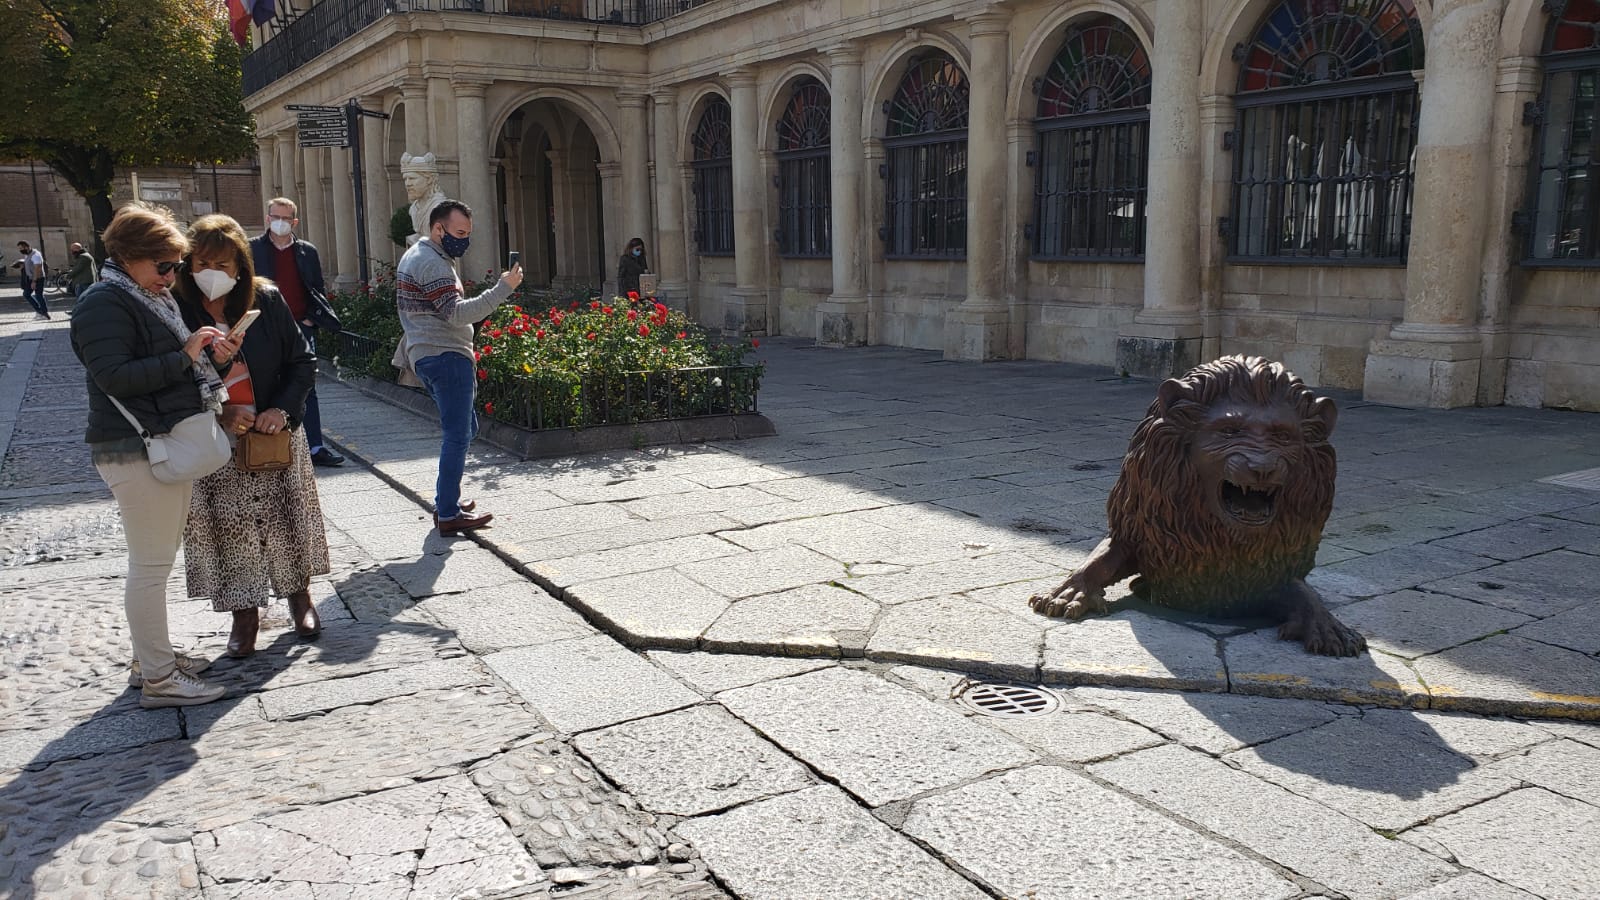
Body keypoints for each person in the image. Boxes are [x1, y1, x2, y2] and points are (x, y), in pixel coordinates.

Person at [69, 203, 244, 708]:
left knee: (156, 562)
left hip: (153, 441)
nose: (171, 278)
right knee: (149, 566)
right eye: (162, 266)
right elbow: (116, 377)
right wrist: (185, 355)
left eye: (175, 266)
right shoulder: (105, 301)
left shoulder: (138, 295)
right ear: (127, 256)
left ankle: (150, 659)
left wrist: (201, 358)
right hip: (135, 447)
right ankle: (160, 679)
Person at [178, 214, 330, 658]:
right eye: (203, 262)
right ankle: (244, 615)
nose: (213, 272)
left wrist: (282, 410)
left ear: (240, 267)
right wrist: (220, 411)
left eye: (223, 265)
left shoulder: (266, 298)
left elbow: (302, 363)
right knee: (231, 527)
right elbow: (172, 376)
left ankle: (298, 596)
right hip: (215, 438)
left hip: (273, 432)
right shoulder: (177, 306)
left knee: (288, 515)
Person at [395, 199, 522, 534]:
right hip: (445, 355)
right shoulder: (432, 263)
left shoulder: (423, 255)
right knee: (457, 435)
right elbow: (457, 314)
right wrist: (503, 289)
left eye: (468, 233)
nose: (464, 240)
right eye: (459, 232)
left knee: (466, 430)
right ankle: (449, 513)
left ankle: (447, 497)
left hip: (431, 353)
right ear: (439, 228)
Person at [249, 197, 345, 467]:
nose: (279, 222)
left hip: (301, 329)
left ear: (294, 222)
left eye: (285, 218)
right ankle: (271, 445)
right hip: (265, 330)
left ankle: (314, 447)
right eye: (274, 217)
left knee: (306, 386)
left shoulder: (306, 251)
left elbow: (315, 289)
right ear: (268, 219)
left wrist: (311, 321)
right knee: (266, 384)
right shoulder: (252, 249)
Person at [16, 241, 49, 319]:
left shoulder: (35, 255)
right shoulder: (27, 254)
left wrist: (34, 281)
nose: (20, 250)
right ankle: (41, 311)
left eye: (21, 248)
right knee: (28, 294)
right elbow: (30, 264)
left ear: (26, 247)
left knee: (38, 295)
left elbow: (37, 268)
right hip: (31, 277)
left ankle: (42, 312)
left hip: (37, 278)